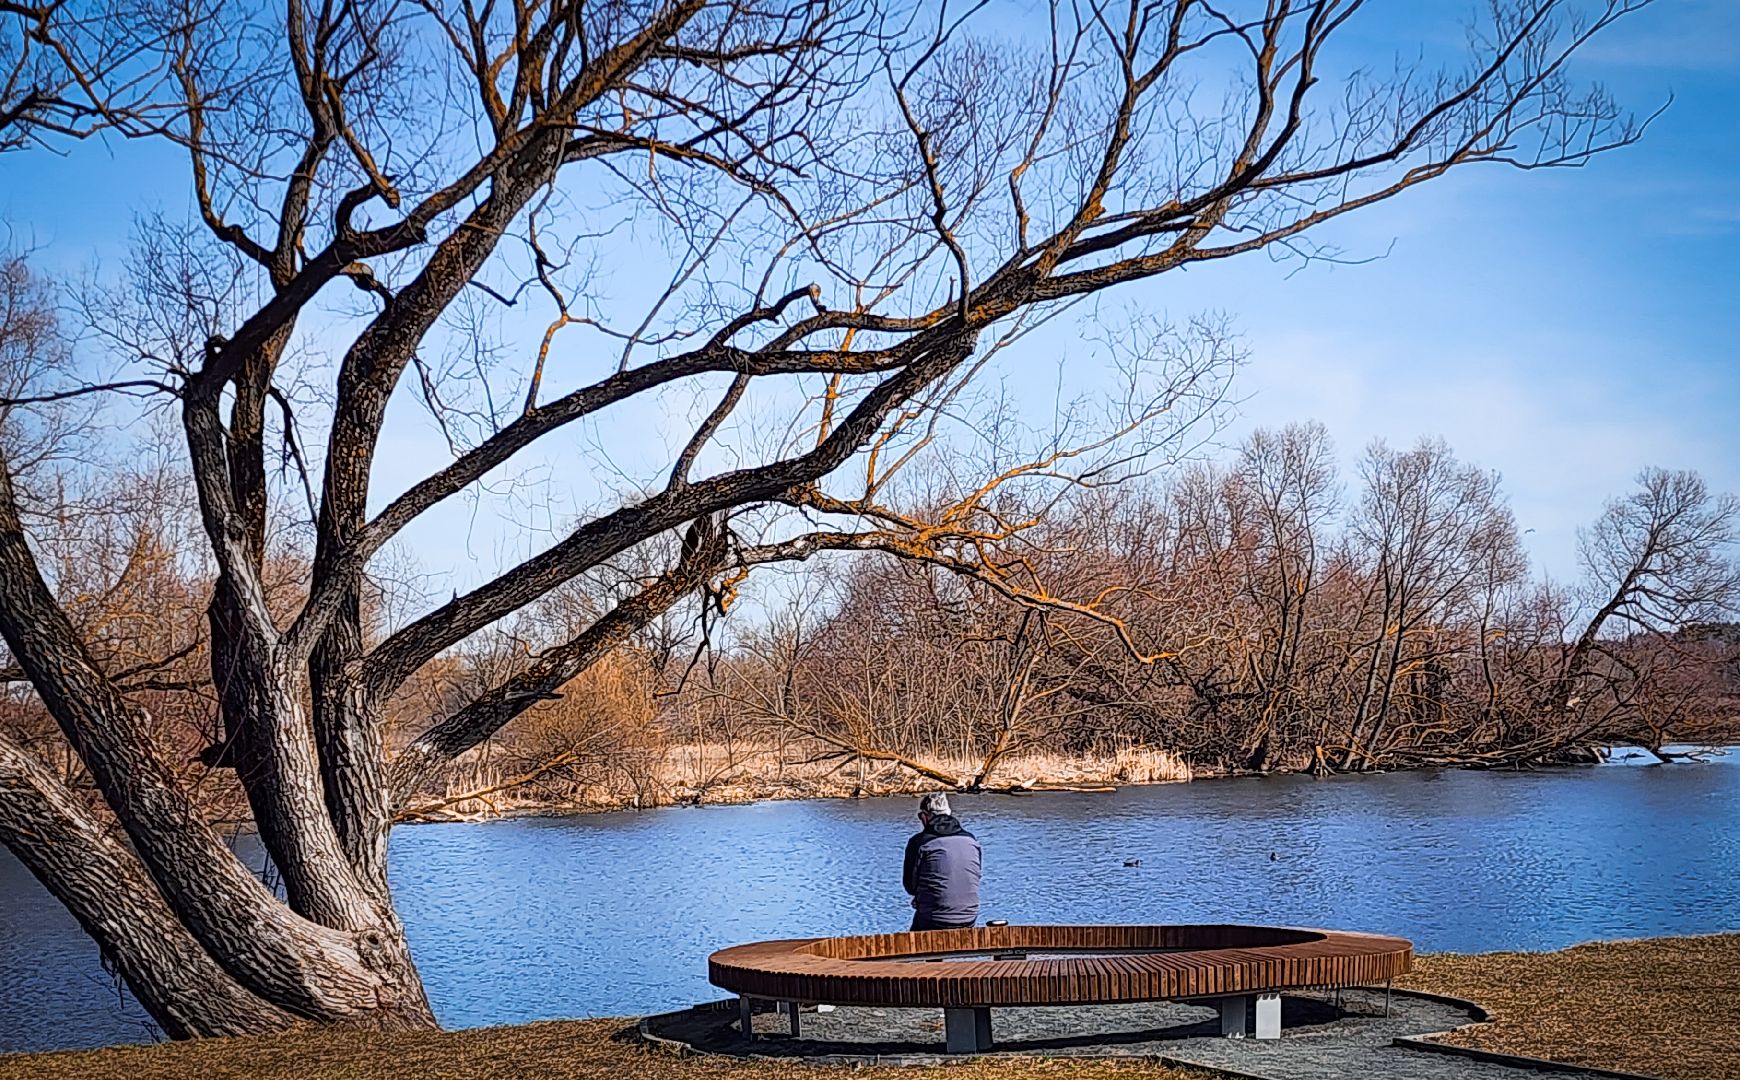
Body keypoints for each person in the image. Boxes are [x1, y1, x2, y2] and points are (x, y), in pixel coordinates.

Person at [902, 792, 981, 931]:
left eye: (920, 817)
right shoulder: (971, 841)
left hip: (933, 918)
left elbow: (910, 886)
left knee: (912, 943)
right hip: (969, 917)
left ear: (925, 816)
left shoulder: (919, 842)